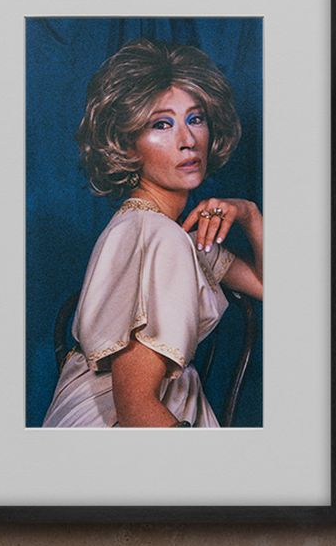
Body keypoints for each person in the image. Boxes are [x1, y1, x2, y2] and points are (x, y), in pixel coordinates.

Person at [42, 38, 263, 429]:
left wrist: (248, 213)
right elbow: (136, 407)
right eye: (162, 124)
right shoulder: (159, 237)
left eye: (196, 118)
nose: (188, 139)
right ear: (127, 145)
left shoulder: (167, 233)